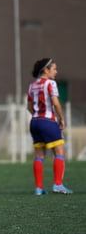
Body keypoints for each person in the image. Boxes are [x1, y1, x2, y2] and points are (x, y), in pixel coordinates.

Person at [27, 58, 73, 195]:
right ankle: (58, 185)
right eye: (54, 69)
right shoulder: (50, 83)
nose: (56, 72)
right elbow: (56, 103)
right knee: (60, 152)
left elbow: (29, 107)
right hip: (47, 121)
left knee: (39, 155)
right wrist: (61, 118)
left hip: (34, 122)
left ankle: (39, 188)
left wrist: (37, 116)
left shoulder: (32, 85)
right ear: (46, 70)